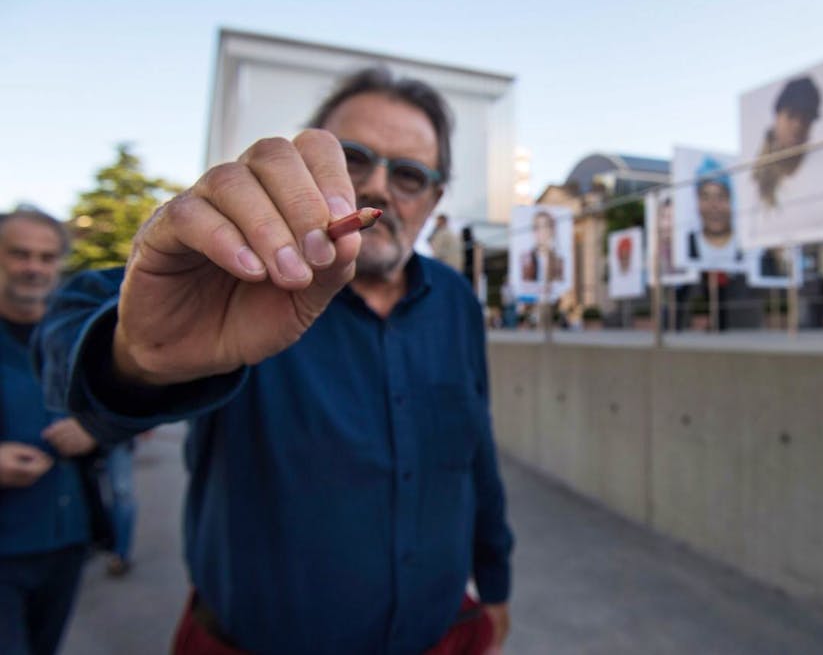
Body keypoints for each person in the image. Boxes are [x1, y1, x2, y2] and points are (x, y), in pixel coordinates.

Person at [34, 67, 513, 654]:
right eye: (354, 159)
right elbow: (72, 320)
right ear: (311, 167)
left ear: (434, 200)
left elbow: (476, 451)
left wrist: (495, 581)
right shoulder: (238, 277)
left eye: (410, 175)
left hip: (441, 635)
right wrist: (134, 357)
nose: (379, 189)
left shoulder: (456, 302)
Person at [0, 207, 100, 655]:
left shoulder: (76, 335)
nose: (34, 268)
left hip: (65, 538)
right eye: (19, 254)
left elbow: (122, 407)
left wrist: (96, 429)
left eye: (46, 257)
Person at [751, 76, 821, 209]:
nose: (798, 126)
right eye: (792, 115)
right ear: (777, 116)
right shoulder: (755, 178)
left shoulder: (822, 169)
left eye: (806, 119)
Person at [687, 156, 744, 269]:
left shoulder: (745, 245)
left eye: (720, 196)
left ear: (730, 200)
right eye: (706, 197)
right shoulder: (688, 244)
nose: (714, 206)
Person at [103, 440, 136, 577]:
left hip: (115, 438)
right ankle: (117, 553)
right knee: (119, 495)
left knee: (121, 495)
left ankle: (119, 554)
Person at [520, 210, 564, 283]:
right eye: (537, 227)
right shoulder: (525, 259)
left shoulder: (558, 261)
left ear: (552, 230)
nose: (541, 231)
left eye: (545, 226)